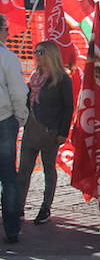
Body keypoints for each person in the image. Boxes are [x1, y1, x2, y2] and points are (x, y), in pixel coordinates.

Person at [16, 40, 70, 226]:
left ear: (50, 54)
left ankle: (45, 207)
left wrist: (63, 132)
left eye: (40, 51)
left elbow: (68, 107)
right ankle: (18, 208)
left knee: (49, 170)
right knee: (23, 171)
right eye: (35, 51)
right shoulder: (34, 76)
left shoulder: (62, 78)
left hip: (50, 131)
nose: (36, 55)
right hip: (31, 129)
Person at [0, 16, 26, 243]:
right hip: (4, 118)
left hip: (5, 117)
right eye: (6, 29)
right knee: (8, 176)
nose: (8, 33)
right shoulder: (7, 57)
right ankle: (11, 228)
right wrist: (21, 116)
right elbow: (18, 91)